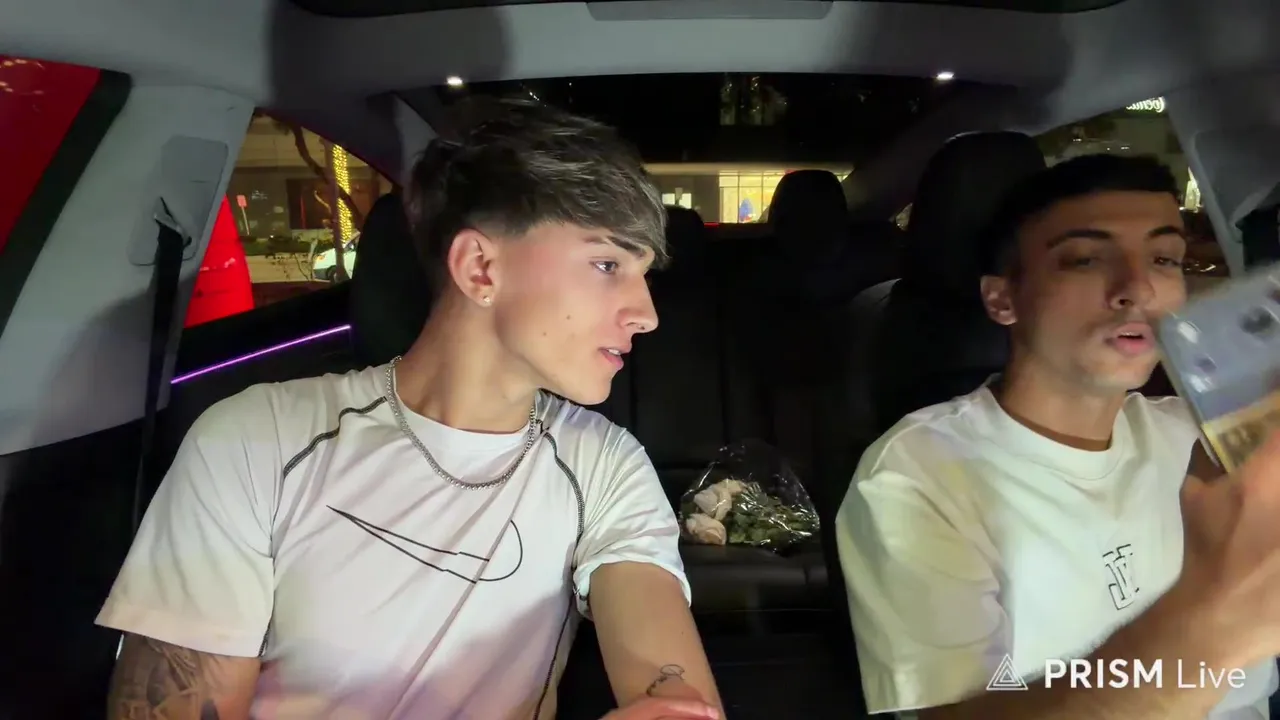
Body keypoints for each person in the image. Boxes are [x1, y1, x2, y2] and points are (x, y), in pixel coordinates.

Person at [98, 99, 723, 720]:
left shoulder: (604, 465)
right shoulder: (256, 440)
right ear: (480, 268)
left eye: (643, 274)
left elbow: (668, 681)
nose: (647, 314)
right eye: (607, 264)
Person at [836, 153, 1280, 718]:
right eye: (1085, 259)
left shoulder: (1204, 435)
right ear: (1003, 299)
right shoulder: (916, 474)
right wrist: (1212, 627)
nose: (1138, 288)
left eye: (1164, 259)